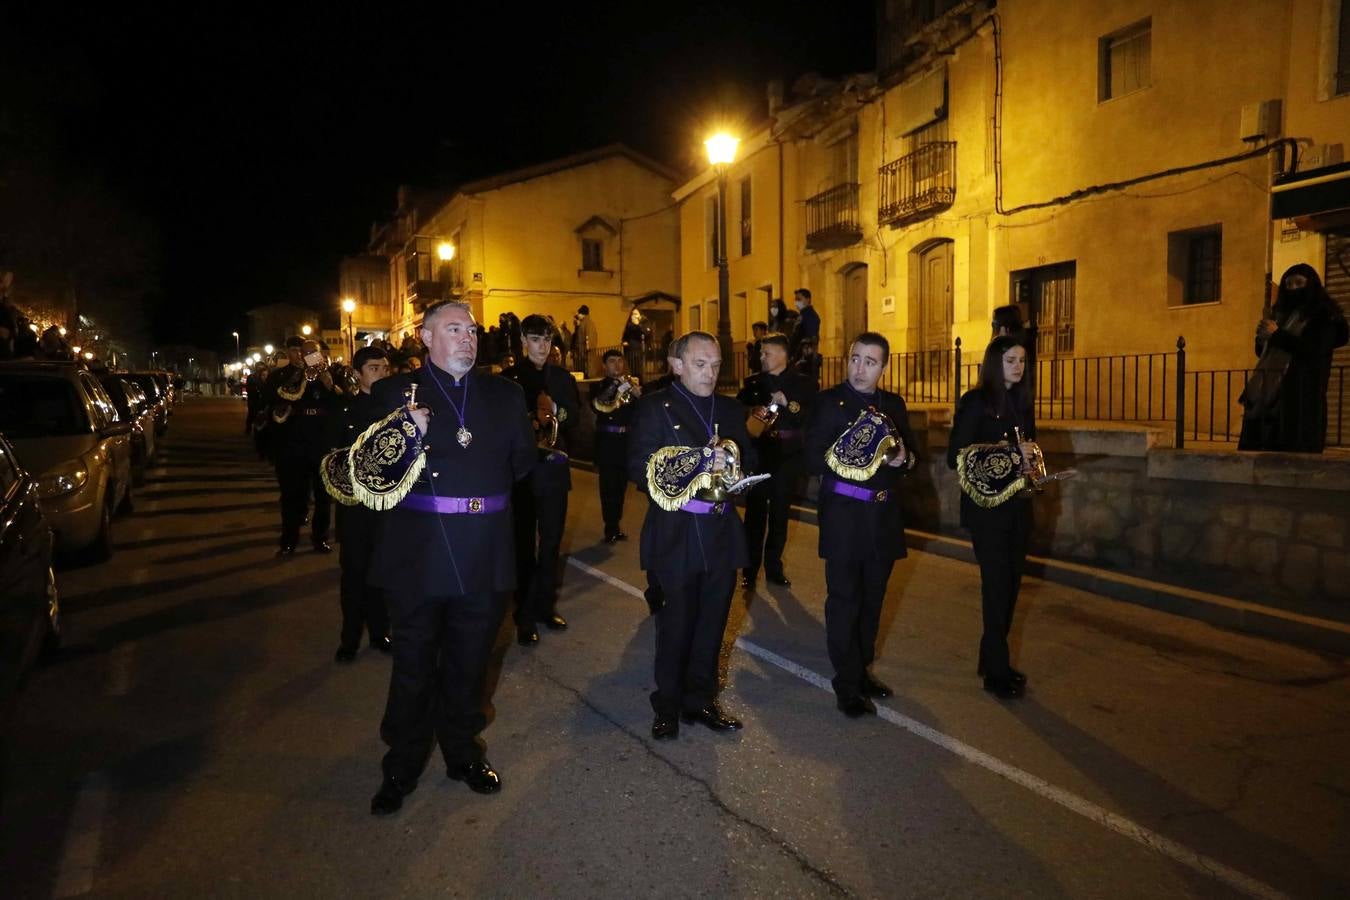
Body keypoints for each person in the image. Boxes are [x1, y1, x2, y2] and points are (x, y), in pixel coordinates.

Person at [363, 300, 536, 815]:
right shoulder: (393, 393)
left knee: (470, 661)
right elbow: (367, 472)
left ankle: (462, 752)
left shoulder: (505, 394)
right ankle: (402, 763)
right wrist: (404, 434)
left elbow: (521, 462)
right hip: (419, 551)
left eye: (472, 330)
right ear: (426, 337)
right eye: (454, 328)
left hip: (484, 549)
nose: (467, 338)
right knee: (414, 663)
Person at [628, 331, 757, 739]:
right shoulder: (655, 408)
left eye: (716, 365)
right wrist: (696, 464)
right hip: (677, 529)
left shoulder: (730, 409)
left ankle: (700, 700)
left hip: (721, 529)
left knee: (713, 623)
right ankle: (667, 704)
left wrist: (739, 472)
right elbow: (638, 467)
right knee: (676, 624)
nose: (710, 373)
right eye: (701, 365)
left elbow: (750, 458)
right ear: (677, 365)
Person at [804, 332, 919, 718]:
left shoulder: (893, 405)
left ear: (883, 367)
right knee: (844, 600)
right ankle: (847, 684)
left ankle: (861, 669)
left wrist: (903, 459)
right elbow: (811, 457)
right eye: (855, 358)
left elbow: (913, 456)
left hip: (883, 515)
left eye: (870, 362)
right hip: (843, 515)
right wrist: (855, 450)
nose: (860, 368)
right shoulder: (828, 403)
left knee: (873, 600)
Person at [946, 335, 1036, 700]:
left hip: (1018, 506)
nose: (1018, 367)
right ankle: (996, 672)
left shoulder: (1022, 403)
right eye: (1010, 360)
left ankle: (991, 658)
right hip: (987, 511)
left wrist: (1030, 464)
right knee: (996, 587)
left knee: (1011, 586)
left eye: (1022, 361)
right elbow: (955, 455)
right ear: (994, 363)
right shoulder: (976, 402)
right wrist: (1012, 454)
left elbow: (1026, 452)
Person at [503, 314, 580, 646]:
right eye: (535, 340)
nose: (542, 346)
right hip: (521, 475)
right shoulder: (508, 380)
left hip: (553, 472)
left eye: (547, 340)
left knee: (551, 545)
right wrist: (531, 419)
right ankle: (523, 615)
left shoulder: (562, 378)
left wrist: (555, 411)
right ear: (523, 342)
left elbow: (574, 417)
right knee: (522, 546)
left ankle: (545, 607)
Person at [1238, 264, 1349, 453]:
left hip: (1301, 393)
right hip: (1268, 393)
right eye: (1288, 284)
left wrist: (1276, 334)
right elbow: (1266, 353)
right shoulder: (1280, 313)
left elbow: (1313, 348)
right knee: (1260, 452)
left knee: (1295, 451)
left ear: (1311, 285)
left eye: (1299, 283)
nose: (1293, 288)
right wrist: (1263, 339)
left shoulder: (1324, 315)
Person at [736, 332, 816, 588]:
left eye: (766, 353)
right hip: (759, 453)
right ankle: (749, 569)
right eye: (761, 353)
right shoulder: (754, 382)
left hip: (787, 455)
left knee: (780, 515)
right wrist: (752, 413)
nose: (761, 357)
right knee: (755, 514)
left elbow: (810, 416)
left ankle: (774, 568)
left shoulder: (803, 383)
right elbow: (739, 412)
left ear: (783, 354)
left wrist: (787, 402)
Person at [330, 346, 392, 663]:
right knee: (354, 575)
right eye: (373, 368)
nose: (381, 374)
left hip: (388, 507)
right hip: (356, 507)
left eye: (385, 368)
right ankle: (350, 638)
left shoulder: (396, 411)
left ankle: (381, 632)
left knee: (383, 573)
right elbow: (333, 458)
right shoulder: (346, 410)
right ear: (357, 374)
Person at [269, 338, 339, 556]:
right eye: (303, 352)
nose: (307, 357)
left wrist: (329, 385)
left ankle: (320, 538)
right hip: (294, 443)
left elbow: (341, 404)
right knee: (292, 496)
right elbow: (274, 399)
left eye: (312, 353)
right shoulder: (284, 375)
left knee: (323, 497)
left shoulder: (329, 375)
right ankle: (288, 541)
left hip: (321, 443)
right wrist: (299, 377)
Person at [592, 349, 641, 544]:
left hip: (625, 443)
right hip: (607, 444)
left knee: (621, 488)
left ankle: (616, 526)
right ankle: (610, 527)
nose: (617, 364)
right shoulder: (599, 386)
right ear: (604, 366)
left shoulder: (630, 385)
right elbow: (599, 405)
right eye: (612, 361)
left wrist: (638, 394)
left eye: (620, 360)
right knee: (608, 488)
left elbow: (639, 412)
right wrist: (617, 385)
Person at [790, 288, 820, 361]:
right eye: (796, 299)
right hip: (797, 355)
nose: (796, 302)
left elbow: (812, 337)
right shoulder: (802, 315)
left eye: (799, 299)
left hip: (804, 357)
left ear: (807, 299)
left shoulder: (810, 315)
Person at [570, 304, 599, 377]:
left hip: (585, 349)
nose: (578, 315)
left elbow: (589, 335)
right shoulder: (584, 323)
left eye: (579, 313)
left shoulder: (587, 323)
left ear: (583, 314)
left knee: (588, 364)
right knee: (585, 364)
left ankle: (589, 375)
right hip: (583, 349)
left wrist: (588, 345)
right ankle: (587, 375)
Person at [622, 308, 648, 378]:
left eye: (636, 314)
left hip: (640, 351)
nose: (635, 316)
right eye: (633, 314)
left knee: (639, 370)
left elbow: (645, 334)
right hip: (631, 351)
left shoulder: (643, 324)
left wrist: (639, 324)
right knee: (633, 369)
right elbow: (626, 336)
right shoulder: (629, 326)